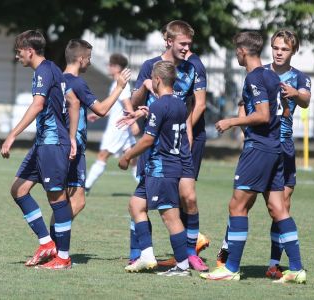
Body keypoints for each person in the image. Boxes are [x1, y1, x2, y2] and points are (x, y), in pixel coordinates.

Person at [200, 31, 306, 283]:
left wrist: (231, 121)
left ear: (242, 52)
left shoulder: (255, 78)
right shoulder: (272, 76)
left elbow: (262, 115)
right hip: (276, 148)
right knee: (277, 208)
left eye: (236, 51)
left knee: (237, 205)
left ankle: (231, 268)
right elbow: (286, 110)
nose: (236, 55)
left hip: (259, 149)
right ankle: (296, 268)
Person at [123, 20, 208, 272]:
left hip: (185, 140)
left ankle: (189, 254)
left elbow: (199, 105)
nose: (187, 49)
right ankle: (137, 252)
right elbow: (136, 99)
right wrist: (146, 87)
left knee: (188, 198)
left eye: (190, 44)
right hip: (156, 143)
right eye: (183, 44)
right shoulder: (152, 67)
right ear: (169, 41)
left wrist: (182, 133)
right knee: (143, 196)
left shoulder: (195, 66)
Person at [1, 30, 80, 270]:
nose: (17, 57)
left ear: (29, 50)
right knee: (19, 189)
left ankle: (63, 258)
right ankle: (47, 243)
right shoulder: (54, 69)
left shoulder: (44, 71)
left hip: (52, 143)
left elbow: (38, 104)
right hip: (46, 142)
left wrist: (12, 135)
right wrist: (73, 137)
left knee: (57, 198)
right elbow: (73, 102)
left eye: (18, 52)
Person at [52, 41, 131, 241]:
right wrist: (120, 87)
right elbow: (102, 109)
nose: (90, 62)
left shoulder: (57, 79)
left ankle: (52, 245)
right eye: (89, 58)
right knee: (77, 201)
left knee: (65, 200)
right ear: (81, 59)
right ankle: (53, 245)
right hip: (73, 148)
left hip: (56, 144)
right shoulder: (77, 83)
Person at [118, 60, 191, 276]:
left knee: (170, 217)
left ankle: (183, 266)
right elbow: (166, 121)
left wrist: (127, 156)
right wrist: (146, 113)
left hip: (163, 168)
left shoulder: (161, 105)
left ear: (157, 80)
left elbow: (148, 140)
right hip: (156, 168)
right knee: (135, 205)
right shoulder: (178, 102)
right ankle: (147, 256)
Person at [84, 53, 139, 195]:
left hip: (118, 128)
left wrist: (133, 123)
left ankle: (86, 187)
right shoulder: (117, 83)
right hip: (122, 127)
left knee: (102, 156)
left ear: (116, 67)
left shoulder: (121, 84)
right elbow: (116, 107)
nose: (108, 67)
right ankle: (147, 188)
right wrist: (97, 115)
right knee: (133, 159)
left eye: (110, 65)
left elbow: (127, 103)